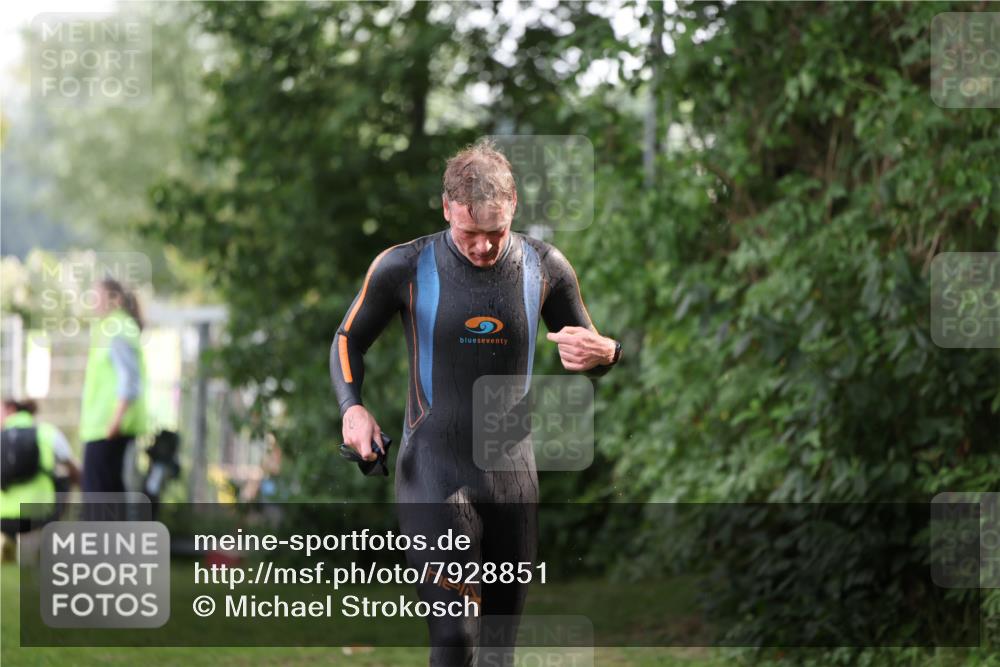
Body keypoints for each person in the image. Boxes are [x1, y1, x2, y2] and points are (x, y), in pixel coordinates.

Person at [330, 139, 621, 665]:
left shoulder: (544, 266)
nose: (484, 248)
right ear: (446, 209)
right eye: (469, 233)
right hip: (434, 468)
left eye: (496, 233)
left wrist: (606, 353)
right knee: (455, 635)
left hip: (513, 476)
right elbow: (348, 339)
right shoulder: (405, 266)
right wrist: (353, 408)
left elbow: (589, 346)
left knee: (497, 650)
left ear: (513, 209)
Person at [78, 278, 148, 497]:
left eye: (97, 296)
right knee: (108, 492)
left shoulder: (116, 328)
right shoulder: (111, 327)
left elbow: (128, 379)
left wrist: (115, 422)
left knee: (100, 495)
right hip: (104, 426)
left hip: (109, 427)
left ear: (115, 299)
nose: (93, 301)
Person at [0, 398, 81, 561]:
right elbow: (76, 471)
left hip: (3, 518)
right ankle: (47, 542)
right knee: (63, 478)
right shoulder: (47, 432)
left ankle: (10, 540)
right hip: (38, 516)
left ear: (10, 410)